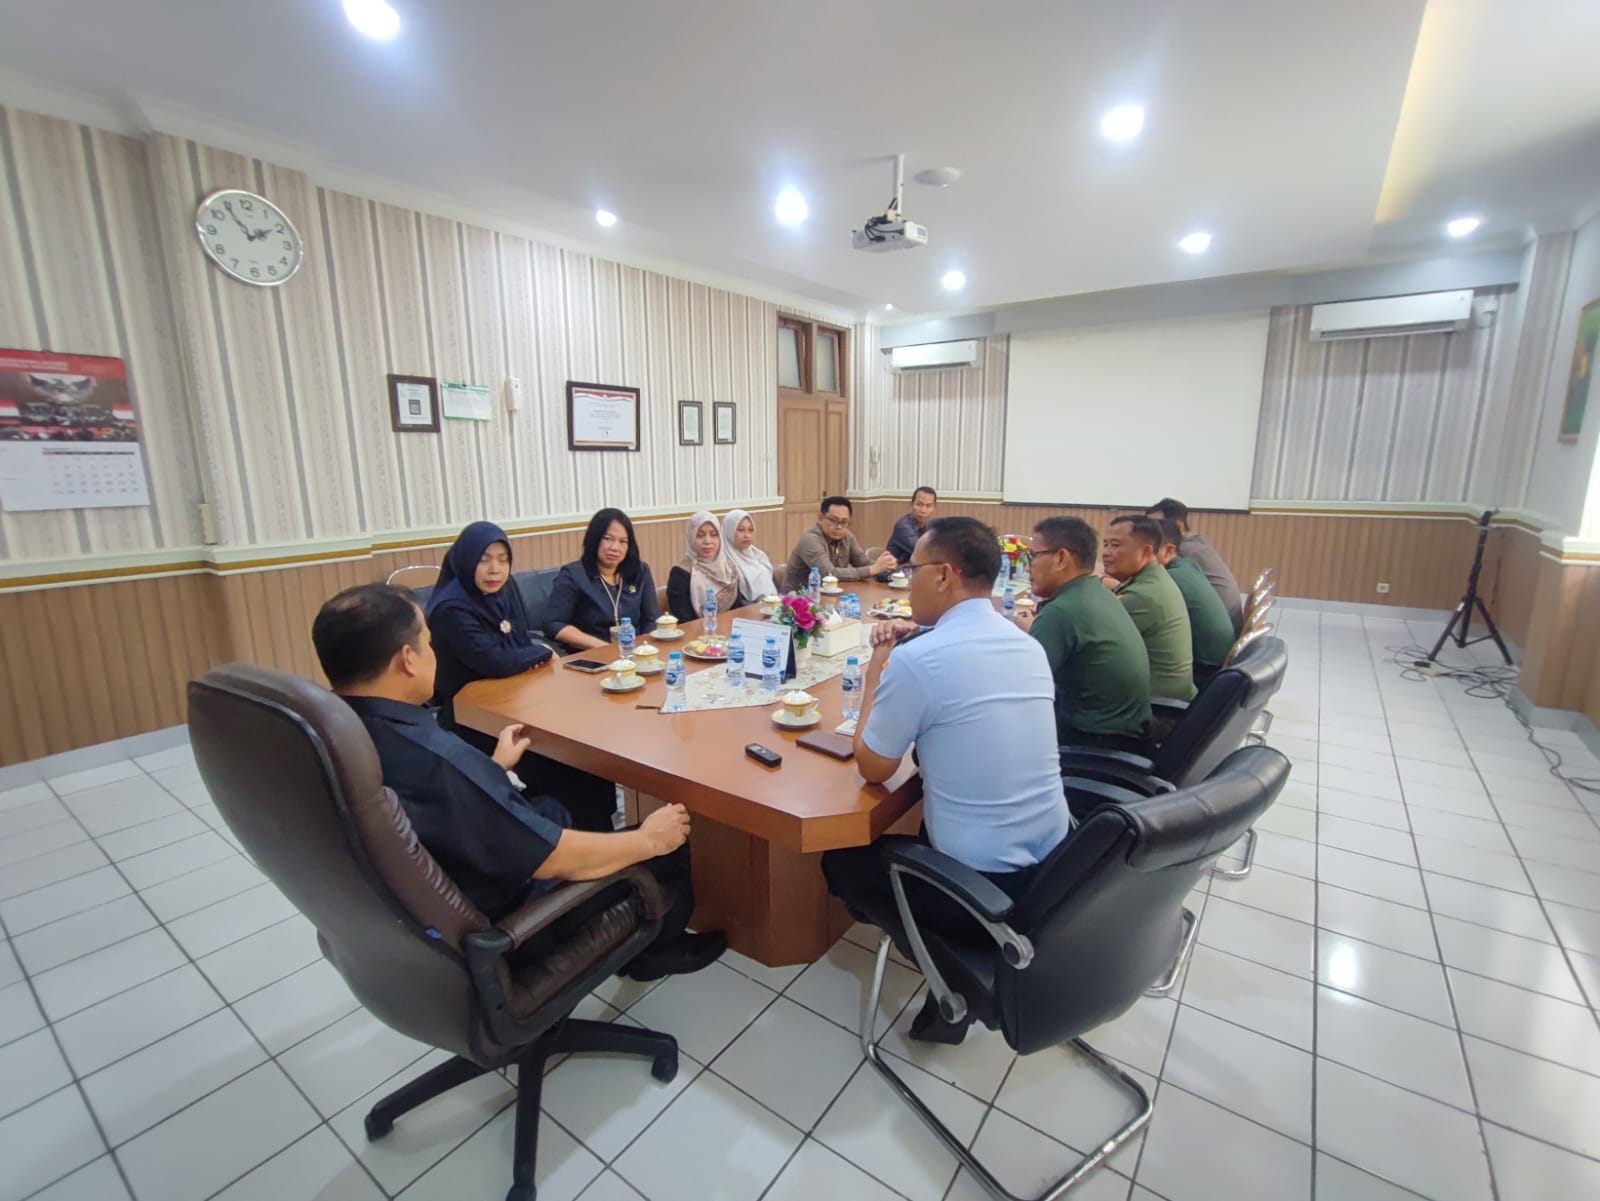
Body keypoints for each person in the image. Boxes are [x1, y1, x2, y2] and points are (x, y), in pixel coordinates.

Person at [311, 583, 725, 979]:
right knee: (670, 841)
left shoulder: (337, 734)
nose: (433, 650)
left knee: (564, 796)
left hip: (426, 909)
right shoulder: (438, 761)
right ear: (407, 659)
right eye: (427, 640)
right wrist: (648, 840)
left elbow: (441, 804)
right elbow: (552, 857)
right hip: (514, 918)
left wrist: (491, 768)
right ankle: (650, 956)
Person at [821, 517, 1072, 1045]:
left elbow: (872, 766)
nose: (907, 579)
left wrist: (876, 674)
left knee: (840, 860)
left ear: (945, 575)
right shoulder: (1027, 646)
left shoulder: (919, 662)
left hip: (982, 891)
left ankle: (948, 977)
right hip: (1058, 873)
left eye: (914, 568)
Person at [425, 522, 616, 832]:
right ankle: (575, 837)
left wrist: (533, 651)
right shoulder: (451, 608)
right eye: (484, 559)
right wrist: (542, 653)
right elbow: (496, 660)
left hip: (516, 703)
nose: (494, 569)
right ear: (466, 558)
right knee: (567, 764)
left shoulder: (503, 591)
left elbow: (521, 642)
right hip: (473, 718)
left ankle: (597, 831)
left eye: (503, 559)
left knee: (587, 756)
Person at [1015, 517, 1153, 751]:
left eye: (1033, 556)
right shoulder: (1096, 593)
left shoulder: (1062, 611)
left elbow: (1020, 688)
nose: (1028, 567)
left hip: (1095, 745)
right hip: (1129, 737)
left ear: (1061, 559)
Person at [1102, 515, 1196, 702]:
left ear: (1145, 552)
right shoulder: (1152, 578)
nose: (1105, 553)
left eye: (1115, 545)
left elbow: (1086, 644)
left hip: (1156, 707)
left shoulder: (1144, 595)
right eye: (1105, 545)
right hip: (1163, 697)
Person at [544, 509, 660, 651]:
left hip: (635, 653)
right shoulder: (573, 575)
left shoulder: (640, 571)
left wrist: (645, 650)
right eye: (608, 539)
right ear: (594, 539)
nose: (615, 547)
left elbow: (650, 619)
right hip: (592, 655)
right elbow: (554, 623)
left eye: (623, 541)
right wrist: (602, 647)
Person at [1155, 517, 1237, 684]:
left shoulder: (1171, 579)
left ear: (1168, 550)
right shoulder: (1186, 565)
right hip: (1218, 661)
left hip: (1203, 670)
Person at [1147, 497, 1243, 634]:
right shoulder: (1197, 543)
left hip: (1218, 631)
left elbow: (1154, 588)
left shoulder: (1183, 551)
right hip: (1225, 627)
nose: (1148, 533)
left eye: (1157, 526)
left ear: (1179, 527)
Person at [785, 496, 896, 585]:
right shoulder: (810, 540)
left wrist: (885, 565)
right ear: (820, 518)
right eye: (833, 521)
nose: (839, 527)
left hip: (833, 594)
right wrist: (873, 569)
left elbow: (863, 562)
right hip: (800, 601)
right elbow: (829, 574)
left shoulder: (847, 536)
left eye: (844, 522)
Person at [667, 511, 744, 622]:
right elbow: (685, 621)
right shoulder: (680, 573)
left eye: (713, 535)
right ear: (691, 538)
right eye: (700, 535)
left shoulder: (728, 568)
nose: (708, 541)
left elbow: (738, 611)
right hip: (696, 636)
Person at [722, 508, 778, 599]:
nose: (747, 535)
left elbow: (774, 588)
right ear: (729, 531)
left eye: (750, 530)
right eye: (741, 530)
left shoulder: (759, 556)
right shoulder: (723, 561)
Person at [885, 486, 936, 565]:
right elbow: (923, 552)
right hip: (893, 573)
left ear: (934, 508)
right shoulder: (903, 526)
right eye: (919, 504)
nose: (923, 510)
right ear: (912, 504)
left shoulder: (929, 526)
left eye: (928, 506)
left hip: (911, 571)